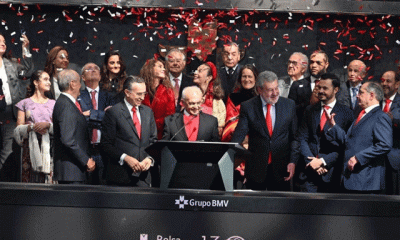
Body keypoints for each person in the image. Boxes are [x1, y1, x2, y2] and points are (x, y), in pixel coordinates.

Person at [231, 71, 299, 191]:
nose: (275, 93)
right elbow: (238, 136)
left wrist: (292, 161)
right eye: (270, 90)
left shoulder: (289, 105)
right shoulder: (248, 107)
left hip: (282, 168)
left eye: (276, 88)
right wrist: (233, 161)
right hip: (255, 170)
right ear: (259, 90)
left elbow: (295, 137)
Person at [327, 81, 392, 193]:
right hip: (351, 179)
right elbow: (349, 141)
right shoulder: (361, 115)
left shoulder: (380, 117)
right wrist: (334, 127)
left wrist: (358, 158)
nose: (357, 95)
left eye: (361, 93)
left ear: (371, 95)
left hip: (366, 181)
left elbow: (385, 144)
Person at [297, 73, 353, 193]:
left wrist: (323, 162)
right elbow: (302, 138)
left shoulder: (347, 114)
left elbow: (345, 145)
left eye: (325, 88)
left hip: (332, 174)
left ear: (336, 90)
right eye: (319, 87)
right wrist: (312, 162)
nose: (320, 91)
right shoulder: (309, 110)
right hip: (309, 173)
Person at [101, 76, 157, 187]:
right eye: (138, 94)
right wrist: (125, 158)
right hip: (120, 177)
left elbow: (153, 141)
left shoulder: (148, 112)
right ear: (127, 92)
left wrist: (149, 159)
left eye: (144, 94)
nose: (142, 97)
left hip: (143, 177)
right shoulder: (114, 112)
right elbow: (106, 145)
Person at [0, 33, 34, 182]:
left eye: (4, 41)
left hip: (9, 115)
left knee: (8, 153)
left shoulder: (11, 64)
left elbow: (27, 72)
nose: (3, 43)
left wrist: (25, 50)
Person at [52, 70, 95, 184]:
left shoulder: (66, 103)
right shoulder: (66, 105)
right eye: (80, 82)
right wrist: (86, 160)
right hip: (71, 172)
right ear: (72, 84)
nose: (81, 86)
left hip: (73, 172)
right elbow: (67, 139)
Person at [14, 70, 56, 183]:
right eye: (45, 79)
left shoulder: (53, 104)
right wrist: (32, 127)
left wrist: (47, 126)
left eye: (49, 80)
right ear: (36, 82)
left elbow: (59, 127)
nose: (49, 83)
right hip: (29, 148)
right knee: (29, 181)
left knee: (49, 182)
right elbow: (18, 130)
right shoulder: (24, 103)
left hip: (49, 147)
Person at [79, 63, 112, 185]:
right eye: (89, 69)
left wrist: (91, 114)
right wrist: (101, 114)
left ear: (100, 75)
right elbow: (79, 118)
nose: (93, 70)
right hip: (85, 149)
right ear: (82, 77)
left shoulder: (108, 96)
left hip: (104, 149)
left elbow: (111, 118)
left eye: (96, 69)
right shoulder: (78, 96)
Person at [289, 50, 329, 124]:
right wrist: (310, 103)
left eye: (318, 63)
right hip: (303, 128)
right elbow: (290, 111)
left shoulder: (333, 84)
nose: (314, 65)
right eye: (312, 62)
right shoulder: (297, 85)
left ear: (326, 65)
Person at [140, 58, 175, 139]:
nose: (163, 69)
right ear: (150, 68)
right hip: (140, 133)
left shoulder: (168, 91)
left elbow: (170, 116)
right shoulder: (141, 88)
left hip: (161, 135)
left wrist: (151, 124)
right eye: (160, 66)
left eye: (164, 67)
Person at [222, 64, 258, 142]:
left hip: (256, 138)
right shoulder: (233, 97)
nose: (247, 79)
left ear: (255, 78)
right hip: (236, 135)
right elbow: (230, 120)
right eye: (244, 76)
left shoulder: (261, 98)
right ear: (240, 78)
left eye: (250, 76)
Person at [379, 70, 400, 194]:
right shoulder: (374, 101)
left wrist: (393, 121)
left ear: (397, 84)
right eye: (382, 81)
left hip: (394, 159)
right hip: (375, 160)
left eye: (388, 81)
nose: (384, 84)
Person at [193, 62, 226, 134]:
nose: (195, 73)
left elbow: (219, 128)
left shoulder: (217, 102)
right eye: (196, 70)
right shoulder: (190, 95)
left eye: (200, 71)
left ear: (209, 77)